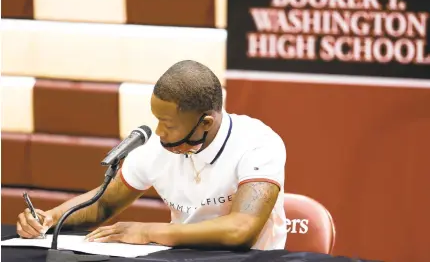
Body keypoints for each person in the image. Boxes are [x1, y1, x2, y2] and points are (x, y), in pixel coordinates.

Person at [16, 60, 287, 250]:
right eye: (157, 119)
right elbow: (103, 203)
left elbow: (241, 229)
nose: (159, 132)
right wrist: (49, 218)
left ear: (205, 123)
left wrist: (149, 232)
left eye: (168, 125)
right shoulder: (159, 148)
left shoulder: (258, 143)